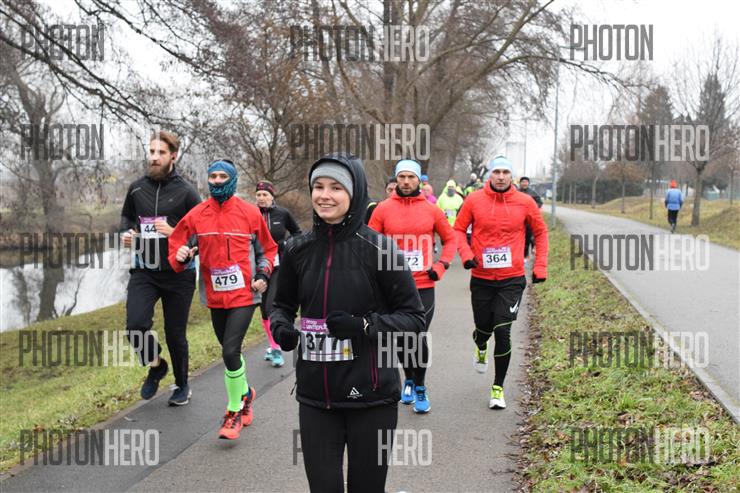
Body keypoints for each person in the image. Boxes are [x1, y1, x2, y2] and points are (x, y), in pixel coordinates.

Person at [270, 152, 425, 493]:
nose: (324, 195)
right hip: (316, 397)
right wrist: (280, 327)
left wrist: (364, 326)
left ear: (354, 193)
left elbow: (414, 318)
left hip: (372, 399)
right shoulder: (296, 249)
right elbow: (281, 305)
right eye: (318, 186)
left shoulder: (380, 250)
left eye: (336, 187)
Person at [169, 159, 278, 439]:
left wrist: (263, 274)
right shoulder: (197, 214)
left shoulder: (250, 213)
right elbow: (178, 242)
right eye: (213, 176)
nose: (217, 181)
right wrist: (181, 256)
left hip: (245, 294)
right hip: (215, 296)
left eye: (222, 176)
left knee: (230, 351)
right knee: (232, 352)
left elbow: (268, 249)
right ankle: (246, 393)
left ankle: (233, 412)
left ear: (232, 179)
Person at [454, 156, 548, 410]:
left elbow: (541, 232)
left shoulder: (525, 202)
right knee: (483, 328)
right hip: (482, 278)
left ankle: (498, 387)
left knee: (502, 330)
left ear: (512, 176)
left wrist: (540, 266)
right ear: (490, 175)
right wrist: (466, 254)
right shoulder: (474, 200)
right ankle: (480, 344)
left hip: (512, 278)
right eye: (496, 172)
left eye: (506, 172)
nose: (501, 176)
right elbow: (458, 230)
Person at [369, 159, 460, 414]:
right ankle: (408, 379)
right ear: (396, 179)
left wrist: (441, 265)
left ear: (419, 180)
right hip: (392, 287)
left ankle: (420, 386)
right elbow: (368, 243)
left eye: (411, 177)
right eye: (402, 177)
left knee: (418, 337)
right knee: (399, 338)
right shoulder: (383, 209)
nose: (406, 181)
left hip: (422, 284)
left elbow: (451, 239)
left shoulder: (431, 210)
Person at [120, 131, 201, 406]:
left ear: (173, 156)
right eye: (151, 151)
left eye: (161, 153)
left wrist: (176, 234)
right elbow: (126, 218)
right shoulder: (136, 188)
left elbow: (200, 232)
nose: (154, 157)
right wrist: (127, 233)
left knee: (175, 334)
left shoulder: (187, 191)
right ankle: (156, 365)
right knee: (135, 325)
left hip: (179, 273)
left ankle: (182, 384)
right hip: (145, 269)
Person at [255, 180, 302, 367]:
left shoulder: (283, 214)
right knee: (263, 311)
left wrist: (286, 245)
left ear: (272, 196)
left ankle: (276, 349)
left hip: (278, 267)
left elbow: (297, 233)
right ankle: (272, 344)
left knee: (270, 307)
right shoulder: (250, 214)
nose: (261, 198)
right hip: (257, 268)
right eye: (258, 195)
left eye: (265, 194)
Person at [518, 176, 543, 263]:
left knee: (528, 236)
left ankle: (526, 255)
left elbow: (540, 202)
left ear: (528, 183)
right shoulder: (516, 192)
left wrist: (533, 208)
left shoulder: (532, 193)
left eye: (526, 182)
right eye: (523, 182)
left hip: (528, 218)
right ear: (520, 183)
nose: (524, 183)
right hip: (518, 218)